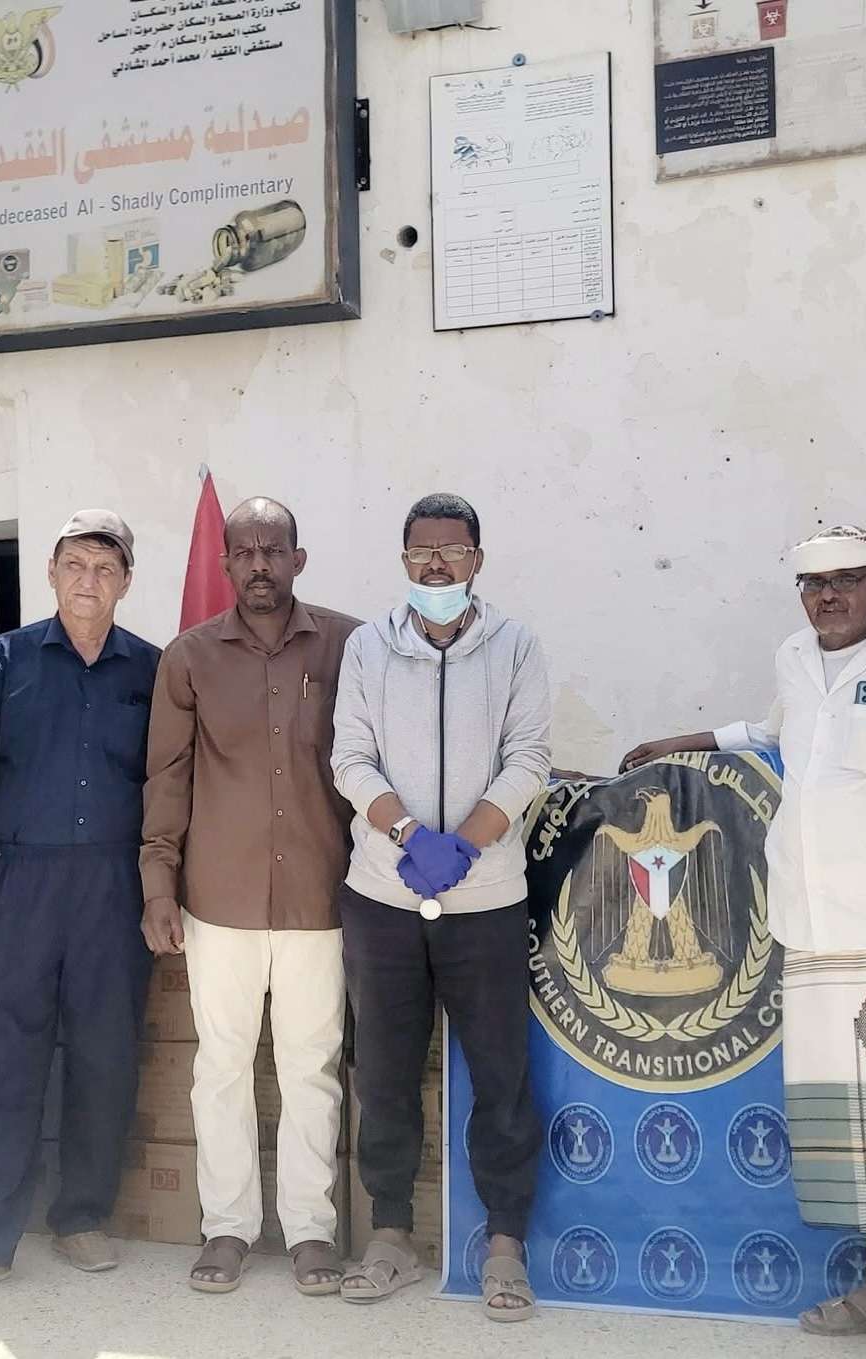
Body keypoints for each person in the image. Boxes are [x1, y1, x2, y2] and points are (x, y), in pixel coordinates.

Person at [621, 524, 866, 1358]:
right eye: (813, 583)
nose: (827, 596)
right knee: (851, 1115)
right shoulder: (794, 658)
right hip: (815, 930)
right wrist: (683, 740)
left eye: (847, 579)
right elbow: (772, 729)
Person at [0, 510, 161, 1305]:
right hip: (14, 884)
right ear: (51, 573)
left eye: (105, 568)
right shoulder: (4, 660)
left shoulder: (151, 670)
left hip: (111, 887)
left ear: (126, 582)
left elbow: (168, 787)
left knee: (103, 1054)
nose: (89, 580)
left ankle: (80, 1215)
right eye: (75, 565)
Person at [330, 492, 552, 1322]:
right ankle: (389, 1234)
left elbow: (528, 757)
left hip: (485, 897)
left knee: (500, 1075)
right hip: (383, 895)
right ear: (403, 561)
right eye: (420, 551)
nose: (435, 565)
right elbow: (349, 758)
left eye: (452, 551)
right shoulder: (367, 647)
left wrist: (464, 844)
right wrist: (409, 836)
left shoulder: (515, 645)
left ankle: (505, 1245)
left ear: (476, 561)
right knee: (384, 1074)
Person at [141, 498, 360, 1296]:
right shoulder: (189, 657)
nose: (260, 564)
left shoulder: (347, 644)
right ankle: (227, 1226)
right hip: (217, 899)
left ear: (298, 559)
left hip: (318, 895)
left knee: (311, 1068)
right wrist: (156, 884)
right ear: (226, 563)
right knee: (222, 1067)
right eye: (245, 551)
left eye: (274, 549)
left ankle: (310, 1231)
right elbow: (166, 778)